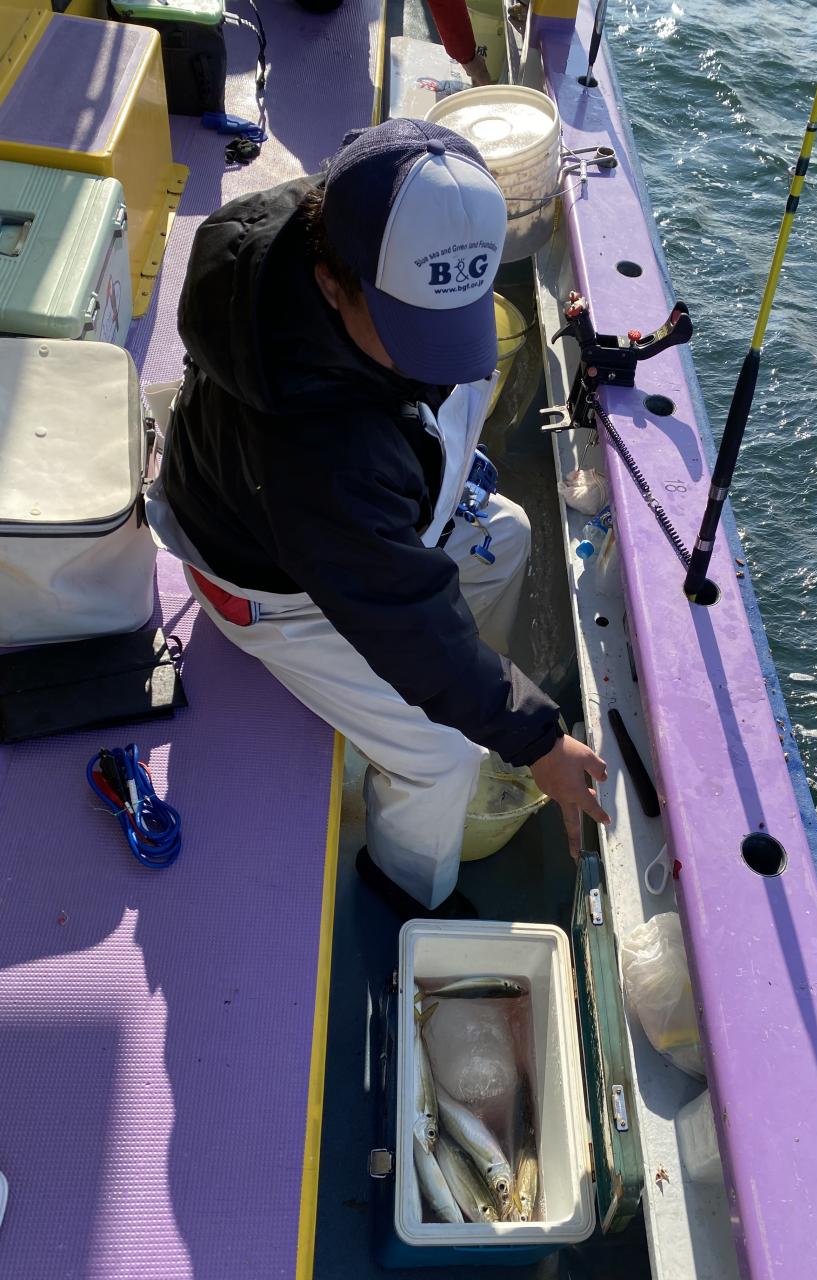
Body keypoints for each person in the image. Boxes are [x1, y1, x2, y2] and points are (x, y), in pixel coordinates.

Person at [146, 117, 608, 919]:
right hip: (268, 591)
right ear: (333, 281)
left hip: (318, 527)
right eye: (412, 331)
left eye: (453, 321)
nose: (437, 361)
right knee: (440, 757)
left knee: (506, 536)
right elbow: (400, 613)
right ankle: (405, 889)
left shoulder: (317, 218)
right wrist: (536, 739)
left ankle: (467, 692)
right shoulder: (324, 452)